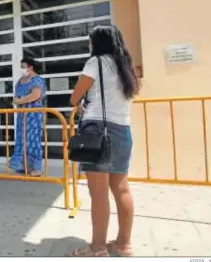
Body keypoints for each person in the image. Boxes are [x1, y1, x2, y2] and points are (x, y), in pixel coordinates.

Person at [68, 25, 139, 257]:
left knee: (98, 192)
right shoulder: (125, 66)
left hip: (98, 129)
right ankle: (123, 244)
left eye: (90, 41)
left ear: (97, 43)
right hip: (123, 130)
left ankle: (97, 247)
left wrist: (80, 103)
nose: (89, 45)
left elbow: (75, 97)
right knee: (121, 188)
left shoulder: (95, 63)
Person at [10, 57, 47, 176]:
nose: (22, 69)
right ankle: (22, 165)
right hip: (22, 115)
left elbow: (35, 95)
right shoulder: (20, 81)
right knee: (22, 139)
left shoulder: (37, 80)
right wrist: (18, 101)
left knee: (33, 139)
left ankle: (35, 167)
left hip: (34, 114)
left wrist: (19, 101)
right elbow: (15, 97)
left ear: (30, 67)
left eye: (23, 66)